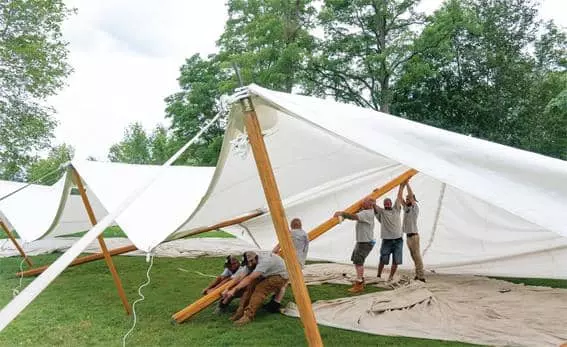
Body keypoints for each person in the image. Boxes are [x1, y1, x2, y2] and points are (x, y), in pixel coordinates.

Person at [222, 251, 288, 326]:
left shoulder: (264, 262)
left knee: (260, 290)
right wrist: (227, 288)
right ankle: (240, 312)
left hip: (280, 276)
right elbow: (240, 276)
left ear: (253, 260)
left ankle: (248, 316)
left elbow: (250, 278)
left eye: (249, 264)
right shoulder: (250, 262)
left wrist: (234, 290)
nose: (248, 266)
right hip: (267, 273)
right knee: (250, 287)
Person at [266, 218, 309, 312]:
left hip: (290, 261)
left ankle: (275, 304)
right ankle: (275, 300)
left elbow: (278, 246)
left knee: (283, 282)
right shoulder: (305, 234)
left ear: (291, 225)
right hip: (300, 262)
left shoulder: (290, 233)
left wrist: (270, 255)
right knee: (290, 282)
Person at [334, 198, 376, 293]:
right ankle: (361, 280)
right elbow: (357, 213)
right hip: (362, 241)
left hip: (364, 242)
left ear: (369, 205)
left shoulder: (367, 213)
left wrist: (342, 214)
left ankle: (359, 283)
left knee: (359, 262)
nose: (361, 204)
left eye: (363, 203)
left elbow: (354, 217)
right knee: (356, 261)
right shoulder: (367, 211)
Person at [374, 182, 405, 281]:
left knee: (396, 260)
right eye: (385, 203)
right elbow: (373, 205)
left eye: (388, 203)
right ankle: (378, 275)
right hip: (387, 240)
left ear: (391, 204)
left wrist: (401, 186)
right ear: (384, 205)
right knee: (383, 259)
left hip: (398, 240)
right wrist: (374, 194)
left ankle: (391, 277)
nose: (387, 204)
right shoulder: (381, 213)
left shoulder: (396, 209)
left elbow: (399, 197)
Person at [403, 181, 425, 282]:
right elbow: (399, 198)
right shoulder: (406, 208)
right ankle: (417, 274)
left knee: (417, 256)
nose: (407, 200)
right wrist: (401, 186)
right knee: (413, 256)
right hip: (408, 236)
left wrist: (407, 183)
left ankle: (421, 276)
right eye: (406, 199)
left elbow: (411, 196)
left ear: (413, 200)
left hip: (414, 236)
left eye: (408, 199)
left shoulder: (414, 207)